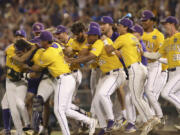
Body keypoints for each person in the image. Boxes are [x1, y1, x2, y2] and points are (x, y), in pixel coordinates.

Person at [29, 30, 97, 135]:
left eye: (41, 41)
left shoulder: (48, 53)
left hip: (64, 80)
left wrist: (27, 66)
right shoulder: (55, 45)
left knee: (58, 110)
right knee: (65, 109)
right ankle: (90, 121)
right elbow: (63, 48)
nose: (40, 43)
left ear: (45, 42)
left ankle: (67, 133)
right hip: (68, 78)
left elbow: (36, 68)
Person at [66, 25, 126, 135]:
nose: (87, 37)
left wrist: (72, 60)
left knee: (103, 94)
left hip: (116, 73)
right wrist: (75, 58)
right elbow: (84, 55)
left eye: (89, 35)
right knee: (96, 101)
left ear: (95, 35)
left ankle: (111, 120)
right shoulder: (95, 42)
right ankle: (103, 127)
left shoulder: (99, 42)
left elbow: (90, 56)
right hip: (107, 75)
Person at [143, 16, 180, 130]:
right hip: (172, 72)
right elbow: (156, 56)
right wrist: (143, 52)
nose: (164, 27)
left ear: (172, 24)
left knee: (166, 93)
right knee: (177, 97)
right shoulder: (167, 41)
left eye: (166, 24)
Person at [141, 10, 165, 122]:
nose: (143, 22)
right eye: (142, 20)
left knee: (149, 91)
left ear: (152, 21)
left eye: (145, 20)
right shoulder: (139, 34)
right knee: (139, 94)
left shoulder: (159, 35)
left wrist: (147, 53)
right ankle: (150, 118)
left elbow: (159, 55)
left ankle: (159, 116)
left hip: (154, 65)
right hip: (143, 66)